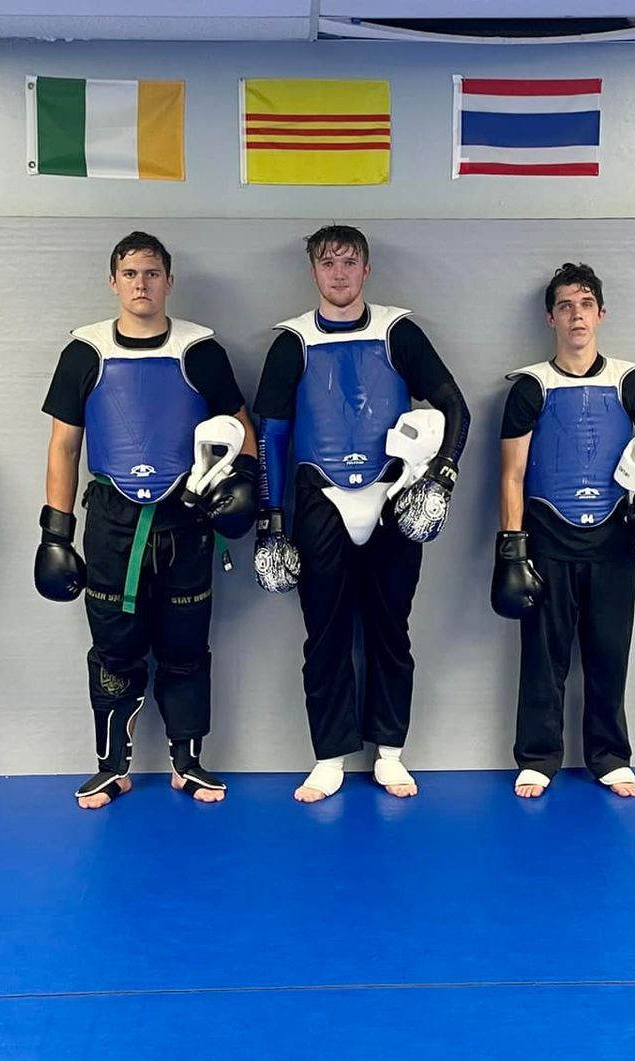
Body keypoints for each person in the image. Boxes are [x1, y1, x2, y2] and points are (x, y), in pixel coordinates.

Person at [35, 231, 258, 809]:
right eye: (131, 273)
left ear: (168, 282)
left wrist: (244, 487)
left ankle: (189, 763)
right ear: (114, 282)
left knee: (187, 647)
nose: (141, 284)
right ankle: (112, 767)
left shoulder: (199, 349)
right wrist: (54, 534)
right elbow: (63, 447)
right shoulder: (84, 352)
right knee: (114, 648)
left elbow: (240, 425)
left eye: (152, 273)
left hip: (185, 518)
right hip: (111, 521)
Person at [251, 225, 471, 802]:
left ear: (366, 270)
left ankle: (390, 753)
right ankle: (328, 758)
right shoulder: (291, 342)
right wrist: (271, 520)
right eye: (328, 263)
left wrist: (441, 479)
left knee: (389, 628)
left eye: (350, 262)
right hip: (319, 496)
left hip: (394, 493)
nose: (339, 273)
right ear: (314, 272)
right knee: (323, 633)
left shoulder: (398, 331)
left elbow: (455, 407)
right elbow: (270, 434)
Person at [492, 263, 635, 799]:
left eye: (585, 304)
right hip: (547, 538)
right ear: (550, 317)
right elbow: (511, 473)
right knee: (543, 655)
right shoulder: (531, 386)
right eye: (565, 305)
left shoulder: (630, 380)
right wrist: (511, 548)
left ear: (600, 314)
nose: (576, 314)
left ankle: (609, 756)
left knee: (609, 651)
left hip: (613, 539)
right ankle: (538, 757)